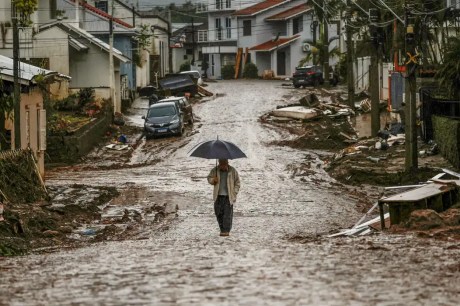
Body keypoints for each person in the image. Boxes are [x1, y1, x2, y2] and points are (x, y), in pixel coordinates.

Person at [207, 159, 240, 237]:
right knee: (218, 213)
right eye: (221, 164)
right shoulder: (215, 170)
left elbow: (237, 183)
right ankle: (222, 229)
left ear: (227, 163)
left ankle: (226, 230)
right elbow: (209, 178)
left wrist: (234, 193)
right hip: (218, 196)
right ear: (219, 163)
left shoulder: (232, 171)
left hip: (228, 196)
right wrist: (213, 180)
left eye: (224, 164)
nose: (223, 166)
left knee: (227, 214)